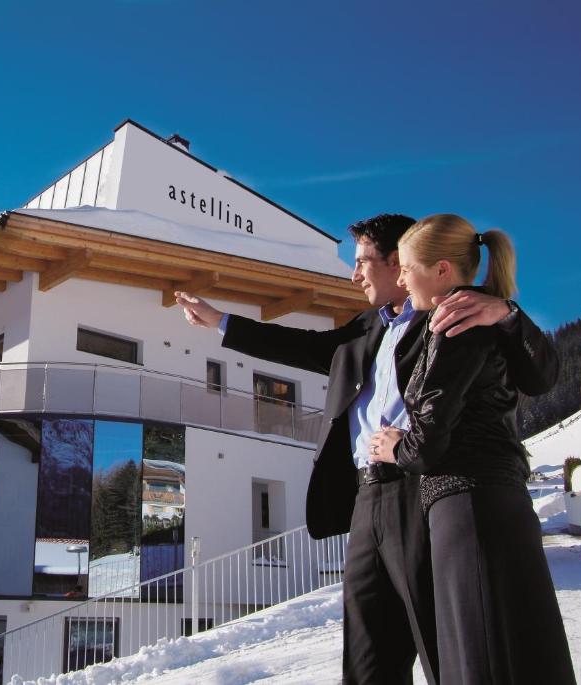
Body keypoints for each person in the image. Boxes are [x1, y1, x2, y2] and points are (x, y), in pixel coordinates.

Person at [176, 214, 558, 684]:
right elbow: (297, 345)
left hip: (424, 489)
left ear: (400, 262)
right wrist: (221, 322)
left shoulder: (457, 315)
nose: (354, 274)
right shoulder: (362, 330)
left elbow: (539, 375)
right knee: (368, 649)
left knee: (445, 640)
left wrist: (508, 314)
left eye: (362, 262)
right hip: (367, 498)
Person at [369, 214, 576, 684]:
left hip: (468, 507)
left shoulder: (455, 323)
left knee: (480, 655)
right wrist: (508, 313)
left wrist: (392, 448)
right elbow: (539, 378)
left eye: (405, 267)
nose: (399, 278)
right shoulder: (475, 318)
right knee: (520, 652)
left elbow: (429, 439)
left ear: (442, 270)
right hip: (495, 501)